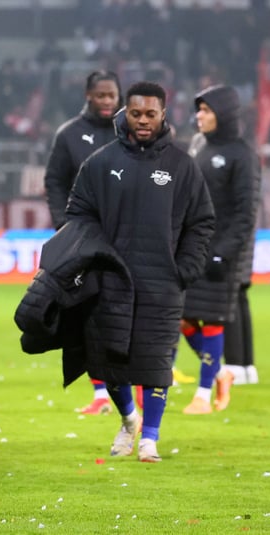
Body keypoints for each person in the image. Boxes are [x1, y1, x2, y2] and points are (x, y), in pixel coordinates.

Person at [65, 81, 215, 462]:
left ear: (163, 114)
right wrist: (92, 260)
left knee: (155, 363)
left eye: (151, 114)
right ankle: (129, 419)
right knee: (109, 364)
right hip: (111, 282)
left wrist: (186, 268)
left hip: (162, 284)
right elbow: (78, 214)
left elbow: (202, 222)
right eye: (136, 114)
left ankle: (150, 438)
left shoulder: (182, 166)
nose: (144, 121)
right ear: (125, 113)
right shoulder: (101, 162)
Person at [42, 70, 123, 415]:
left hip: (124, 235)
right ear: (89, 95)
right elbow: (54, 180)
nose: (107, 101)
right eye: (101, 95)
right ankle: (101, 393)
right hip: (84, 237)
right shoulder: (70, 134)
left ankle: (129, 382)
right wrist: (66, 224)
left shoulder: (129, 131)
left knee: (123, 310)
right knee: (88, 310)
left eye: (112, 95)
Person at [178, 85, 260, 414]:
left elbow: (245, 212)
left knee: (211, 321)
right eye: (198, 110)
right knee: (179, 318)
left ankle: (202, 395)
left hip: (219, 253)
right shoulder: (198, 145)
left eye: (206, 110)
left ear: (223, 115)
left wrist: (222, 252)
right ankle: (221, 373)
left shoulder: (243, 155)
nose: (199, 116)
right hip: (192, 247)